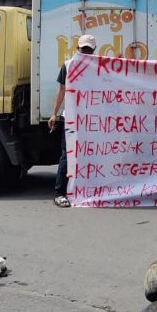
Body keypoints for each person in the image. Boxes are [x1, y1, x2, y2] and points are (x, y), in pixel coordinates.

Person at [48, 34, 96, 207]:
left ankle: (86, 190)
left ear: (94, 50)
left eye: (89, 50)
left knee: (91, 154)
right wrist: (54, 113)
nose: (86, 52)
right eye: (84, 49)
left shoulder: (99, 66)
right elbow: (61, 90)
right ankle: (59, 193)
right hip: (72, 119)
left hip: (91, 119)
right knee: (66, 156)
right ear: (78, 48)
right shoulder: (68, 66)